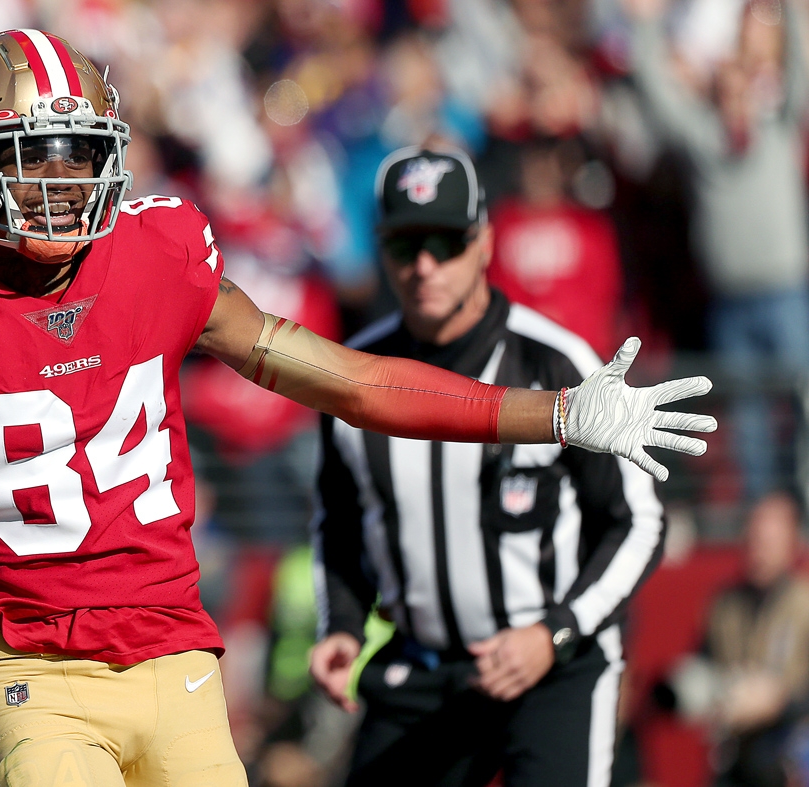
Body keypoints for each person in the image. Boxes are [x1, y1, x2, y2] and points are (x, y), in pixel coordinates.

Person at [0, 30, 712, 787]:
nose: (60, 181)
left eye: (77, 154)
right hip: (33, 673)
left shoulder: (157, 252)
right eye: (29, 153)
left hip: (177, 657)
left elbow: (350, 379)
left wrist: (548, 414)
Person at [308, 146, 665, 787]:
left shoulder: (556, 361)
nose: (424, 266)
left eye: (445, 242)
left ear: (484, 242)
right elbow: (338, 519)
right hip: (420, 665)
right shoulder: (353, 376)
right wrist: (342, 623)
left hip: (552, 664)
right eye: (403, 245)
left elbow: (638, 521)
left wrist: (555, 632)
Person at [626, 0, 809, 498]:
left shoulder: (778, 128)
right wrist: (643, 28)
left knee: (803, 405)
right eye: (722, 89)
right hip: (730, 302)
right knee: (747, 422)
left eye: (739, 87)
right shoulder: (702, 141)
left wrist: (791, 11)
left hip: (786, 293)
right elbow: (659, 92)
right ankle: (758, 516)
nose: (733, 98)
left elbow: (797, 68)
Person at [669, 492, 809, 787]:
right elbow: (704, 665)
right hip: (734, 753)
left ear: (792, 543)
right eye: (753, 539)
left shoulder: (804, 604)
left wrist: (780, 702)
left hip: (792, 755)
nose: (758, 551)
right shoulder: (725, 604)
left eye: (768, 542)